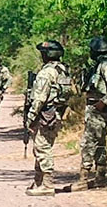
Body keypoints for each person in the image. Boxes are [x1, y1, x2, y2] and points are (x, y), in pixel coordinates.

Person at [25, 41, 73, 197]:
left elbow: (39, 98)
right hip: (56, 114)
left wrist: (30, 117)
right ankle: (38, 181)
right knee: (40, 147)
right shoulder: (63, 70)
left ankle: (47, 184)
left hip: (46, 115)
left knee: (42, 148)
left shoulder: (46, 73)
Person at [76, 36, 107, 188]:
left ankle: (85, 177)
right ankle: (99, 176)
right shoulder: (98, 66)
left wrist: (104, 102)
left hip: (98, 110)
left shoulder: (106, 66)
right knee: (99, 142)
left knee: (89, 142)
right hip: (94, 108)